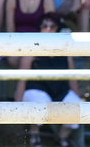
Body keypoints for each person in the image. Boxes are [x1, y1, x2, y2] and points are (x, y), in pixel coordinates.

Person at [15, 13, 83, 147]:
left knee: (77, 106)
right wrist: (17, 102)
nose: (48, 29)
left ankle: (61, 137)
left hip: (60, 91)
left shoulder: (65, 51)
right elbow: (22, 79)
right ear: (39, 29)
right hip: (37, 89)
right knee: (39, 102)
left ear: (58, 29)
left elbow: (72, 79)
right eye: (44, 26)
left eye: (52, 27)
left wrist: (78, 97)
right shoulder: (31, 49)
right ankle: (34, 135)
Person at [4, 0, 55, 67]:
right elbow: (10, 30)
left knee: (27, 57)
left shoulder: (47, 0)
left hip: (40, 42)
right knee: (13, 59)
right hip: (18, 42)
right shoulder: (12, 0)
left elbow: (51, 29)